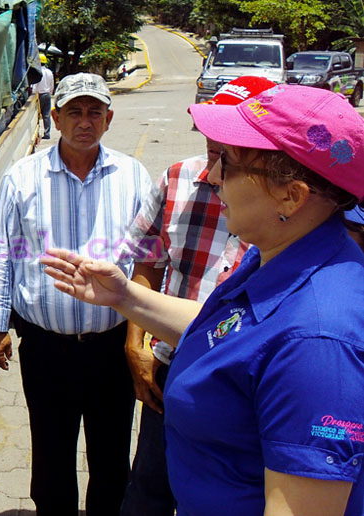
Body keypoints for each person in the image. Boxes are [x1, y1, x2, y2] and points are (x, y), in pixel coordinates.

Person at [42, 84, 364, 516]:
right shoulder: (281, 257)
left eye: (227, 163)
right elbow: (231, 331)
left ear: (291, 195)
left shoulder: (318, 344)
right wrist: (125, 296)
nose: (212, 176)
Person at [0, 72, 152, 516]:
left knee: (111, 456)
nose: (85, 121)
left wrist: (142, 337)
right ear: (55, 118)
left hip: (112, 347)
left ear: (109, 119)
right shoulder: (23, 178)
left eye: (95, 112)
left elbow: (149, 258)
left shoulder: (132, 176)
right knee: (51, 458)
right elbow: (1, 251)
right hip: (46, 349)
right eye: (74, 111)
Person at [119, 75, 276, 516]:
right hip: (172, 368)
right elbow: (147, 262)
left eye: (228, 134)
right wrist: (136, 343)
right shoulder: (177, 179)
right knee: (149, 489)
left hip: (243, 382)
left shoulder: (285, 209)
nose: (212, 143)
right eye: (209, 129)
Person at [31, 54, 54, 139]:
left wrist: (32, 94)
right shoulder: (49, 72)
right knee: (46, 115)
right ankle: (47, 133)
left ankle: (36, 133)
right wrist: (50, 93)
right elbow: (52, 84)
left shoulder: (38, 72)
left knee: (36, 114)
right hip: (47, 94)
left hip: (39, 95)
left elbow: (35, 85)